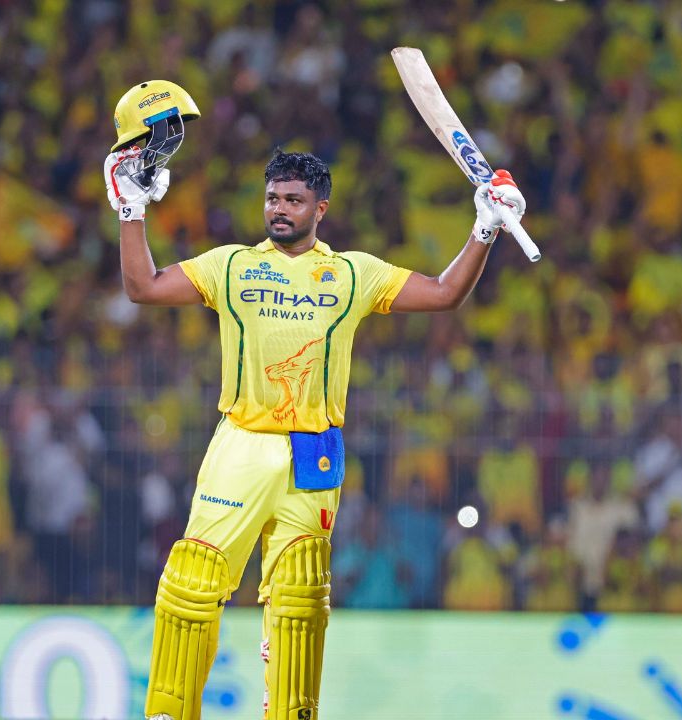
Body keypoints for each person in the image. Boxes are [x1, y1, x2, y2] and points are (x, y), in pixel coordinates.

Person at [101, 81, 528, 720]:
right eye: (272, 197)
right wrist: (131, 210)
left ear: (320, 208)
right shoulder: (231, 265)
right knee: (193, 585)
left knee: (300, 600)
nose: (279, 209)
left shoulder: (354, 273)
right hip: (242, 442)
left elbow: (444, 294)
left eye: (293, 200)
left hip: (314, 450)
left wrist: (485, 228)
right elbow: (142, 288)